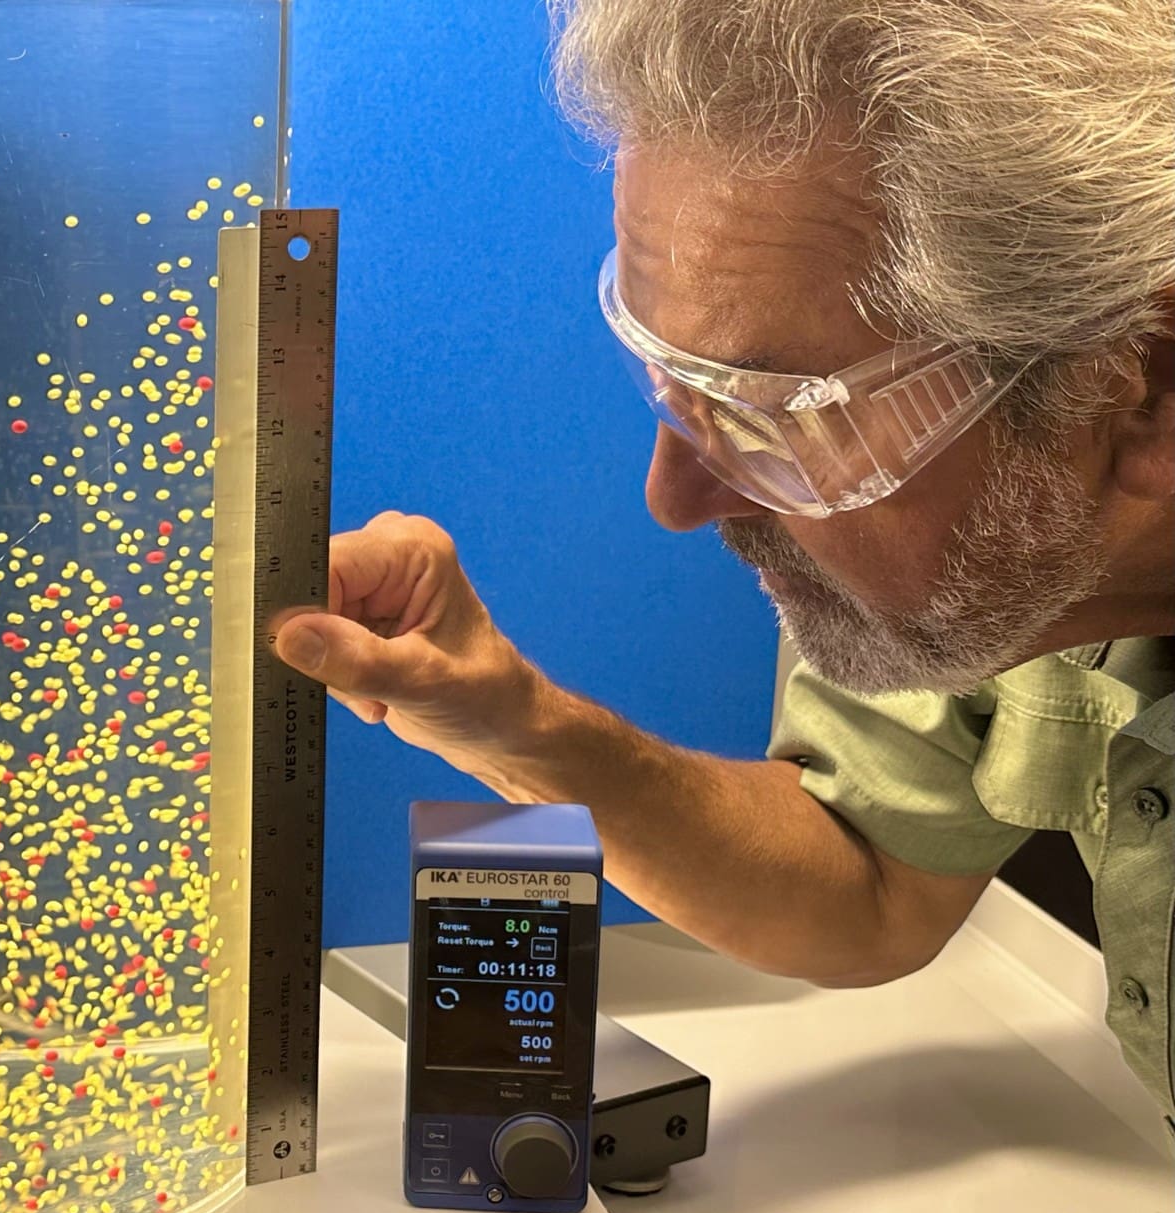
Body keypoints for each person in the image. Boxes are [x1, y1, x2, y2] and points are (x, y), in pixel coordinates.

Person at [273, 0, 1175, 1131]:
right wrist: (516, 730)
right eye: (675, 389)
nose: (677, 497)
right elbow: (869, 884)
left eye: (778, 418)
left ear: (1141, 387)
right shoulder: (1021, 557)